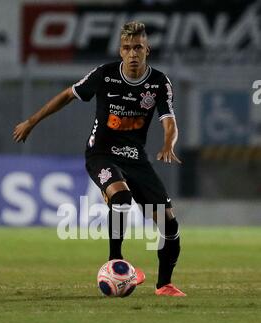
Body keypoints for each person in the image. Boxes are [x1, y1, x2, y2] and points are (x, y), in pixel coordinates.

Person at [13, 21, 186, 297]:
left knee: (169, 222)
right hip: (101, 154)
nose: (132, 53)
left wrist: (168, 143)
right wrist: (32, 121)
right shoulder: (104, 75)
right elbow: (68, 95)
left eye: (138, 48)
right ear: (120, 50)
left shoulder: (158, 82)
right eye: (127, 48)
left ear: (147, 50)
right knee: (120, 199)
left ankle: (164, 285)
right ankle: (115, 263)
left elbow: (169, 122)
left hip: (135, 158)